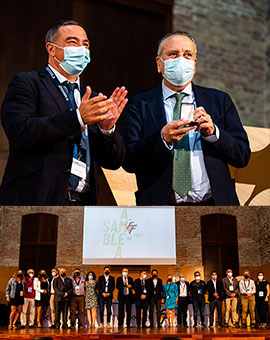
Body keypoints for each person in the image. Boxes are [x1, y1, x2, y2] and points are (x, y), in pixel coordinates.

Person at [0, 19, 127, 206]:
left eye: (86, 44)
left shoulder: (91, 98)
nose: (81, 49)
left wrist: (107, 130)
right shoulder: (28, 83)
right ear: (51, 49)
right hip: (37, 199)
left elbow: (112, 162)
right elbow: (19, 131)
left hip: (84, 202)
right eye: (72, 42)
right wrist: (77, 118)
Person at [122, 30, 250, 206]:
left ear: (194, 64)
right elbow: (129, 161)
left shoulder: (219, 100)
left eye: (187, 54)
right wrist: (162, 139)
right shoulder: (139, 104)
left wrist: (214, 134)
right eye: (173, 54)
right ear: (159, 64)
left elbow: (242, 156)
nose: (181, 59)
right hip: (160, 209)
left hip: (215, 207)